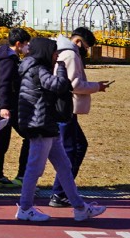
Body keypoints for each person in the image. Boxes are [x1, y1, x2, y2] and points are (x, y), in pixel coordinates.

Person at [14, 37, 106, 222]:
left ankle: (80, 208)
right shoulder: (37, 69)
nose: (56, 55)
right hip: (40, 125)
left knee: (64, 166)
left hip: (46, 124)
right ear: (45, 52)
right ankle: (25, 208)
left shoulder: (31, 67)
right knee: (34, 169)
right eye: (54, 52)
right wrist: (62, 67)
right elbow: (60, 85)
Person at [48, 28, 110, 208]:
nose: (87, 51)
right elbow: (75, 85)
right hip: (65, 109)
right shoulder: (71, 55)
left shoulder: (61, 50)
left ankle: (63, 191)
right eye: (86, 47)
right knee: (72, 149)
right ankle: (60, 192)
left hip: (62, 108)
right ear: (78, 42)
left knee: (75, 147)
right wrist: (96, 86)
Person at [0, 27, 32, 188]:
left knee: (1, 141)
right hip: (8, 107)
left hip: (3, 105)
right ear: (19, 43)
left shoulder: (3, 55)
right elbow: (5, 84)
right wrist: (5, 106)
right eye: (26, 43)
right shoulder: (9, 60)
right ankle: (21, 175)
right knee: (29, 136)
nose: (28, 46)